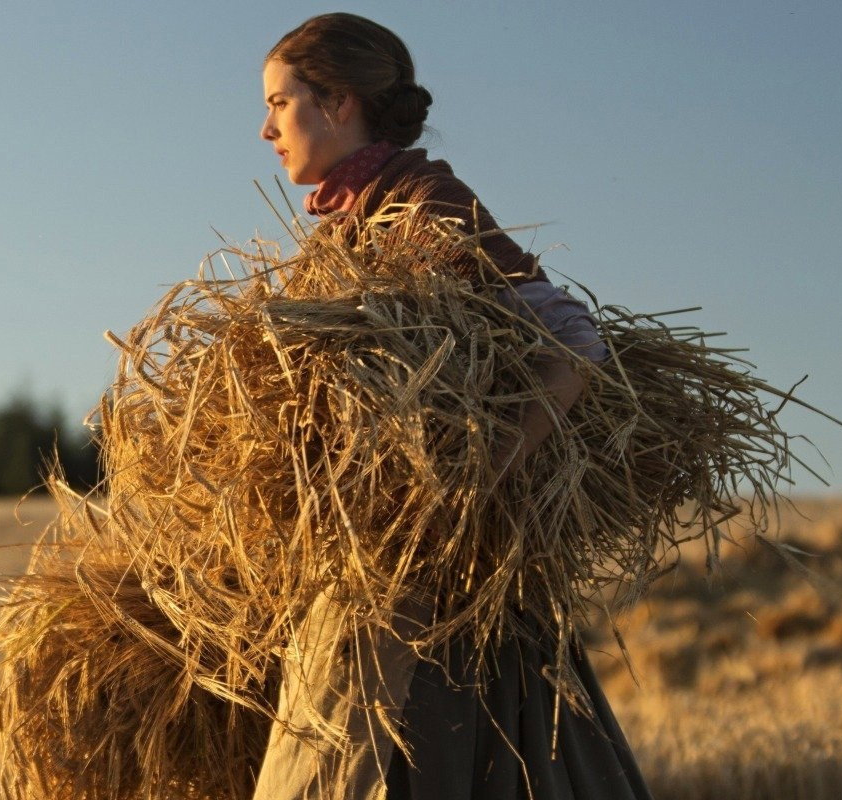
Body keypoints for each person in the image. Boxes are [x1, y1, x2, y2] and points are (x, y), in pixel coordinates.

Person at [252, 13, 655, 800]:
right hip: (370, 584)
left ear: (338, 103)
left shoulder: (418, 202)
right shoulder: (350, 221)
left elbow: (571, 337)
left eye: (280, 101)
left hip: (447, 610)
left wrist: (485, 472)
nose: (265, 127)